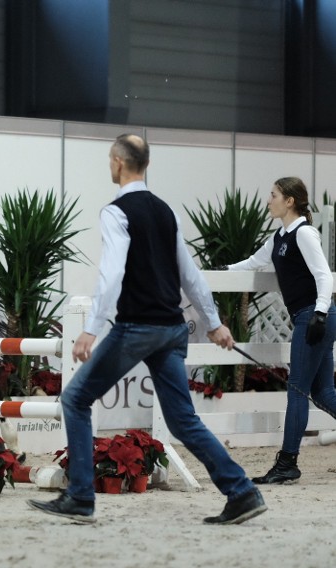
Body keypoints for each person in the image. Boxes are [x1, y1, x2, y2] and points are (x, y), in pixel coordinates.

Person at [27, 134, 266, 525]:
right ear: (145, 164)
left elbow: (112, 273)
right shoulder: (164, 211)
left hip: (138, 327)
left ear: (119, 162)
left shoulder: (116, 212)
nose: (109, 165)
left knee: (74, 400)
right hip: (172, 329)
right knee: (183, 420)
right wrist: (215, 324)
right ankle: (241, 491)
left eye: (110, 159)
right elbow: (190, 275)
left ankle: (81, 497)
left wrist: (92, 327)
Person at [222, 176, 336, 484]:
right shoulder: (279, 236)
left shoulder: (304, 233)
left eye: (273, 195)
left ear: (290, 201)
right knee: (323, 392)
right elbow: (253, 262)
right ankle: (287, 463)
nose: (268, 200)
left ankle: (287, 463)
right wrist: (225, 272)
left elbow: (325, 277)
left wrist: (321, 313)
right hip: (312, 316)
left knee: (297, 389)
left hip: (313, 316)